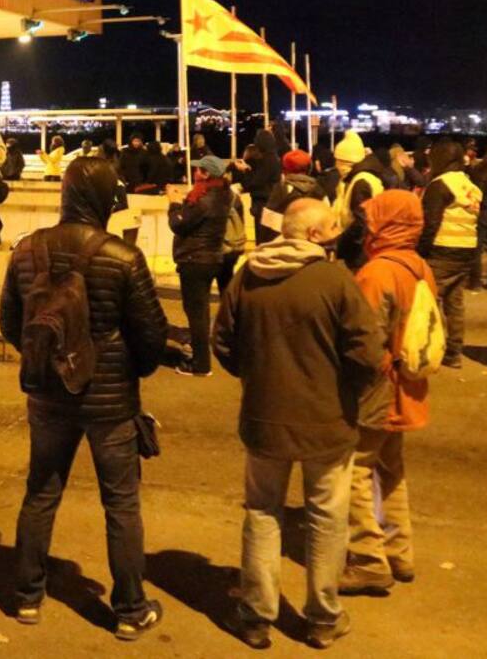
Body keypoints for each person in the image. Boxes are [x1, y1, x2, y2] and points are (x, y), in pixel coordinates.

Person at [0, 156, 167, 640]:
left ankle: (27, 597)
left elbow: (10, 323)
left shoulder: (27, 251)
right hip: (110, 404)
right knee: (121, 503)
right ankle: (130, 609)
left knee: (41, 492)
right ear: (105, 198)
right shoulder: (123, 257)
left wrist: (49, 361)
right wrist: (130, 371)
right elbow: (151, 337)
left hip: (48, 399)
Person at [213, 199, 382, 650]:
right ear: (312, 235)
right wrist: (345, 392)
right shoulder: (334, 280)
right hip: (328, 420)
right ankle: (323, 617)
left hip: (263, 417)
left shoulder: (248, 276)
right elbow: (367, 353)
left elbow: (223, 342)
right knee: (326, 517)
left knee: (262, 512)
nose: (336, 234)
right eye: (331, 227)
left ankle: (256, 615)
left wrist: (256, 378)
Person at [341, 190, 433, 595]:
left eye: (373, 218)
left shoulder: (377, 272)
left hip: (377, 388)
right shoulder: (418, 265)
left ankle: (368, 560)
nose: (367, 226)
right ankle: (399, 552)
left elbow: (363, 340)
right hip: (407, 383)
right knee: (390, 470)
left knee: (355, 472)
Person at [417, 139, 481, 368]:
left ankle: (427, 350)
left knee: (428, 301)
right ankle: (454, 353)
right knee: (455, 304)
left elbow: (430, 223)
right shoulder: (469, 185)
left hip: (442, 250)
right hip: (467, 251)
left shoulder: (440, 185)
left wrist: (420, 251)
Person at [167, 155, 232, 377]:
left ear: (207, 174)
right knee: (201, 310)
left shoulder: (204, 199)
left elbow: (178, 224)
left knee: (196, 312)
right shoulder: (223, 193)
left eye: (199, 170)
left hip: (194, 259)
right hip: (211, 257)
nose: (195, 173)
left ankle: (200, 364)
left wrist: (174, 203)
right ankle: (200, 352)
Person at [332, 130, 386, 270]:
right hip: (364, 248)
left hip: (358, 254)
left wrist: (342, 244)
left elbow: (361, 224)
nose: (337, 166)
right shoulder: (362, 178)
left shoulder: (360, 183)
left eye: (340, 161)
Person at [259, 148, 327, 239]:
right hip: (313, 241)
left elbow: (268, 224)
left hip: (286, 242)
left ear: (285, 169)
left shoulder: (281, 189)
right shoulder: (319, 189)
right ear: (309, 168)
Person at [233, 129, 281, 245]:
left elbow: (254, 182)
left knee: (261, 236)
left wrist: (245, 170)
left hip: (262, 201)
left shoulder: (266, 160)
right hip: (270, 200)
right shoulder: (274, 158)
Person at [471, 145, 487, 290]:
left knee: (477, 248)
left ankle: (475, 282)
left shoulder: (481, 171)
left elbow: (476, 194)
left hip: (484, 212)